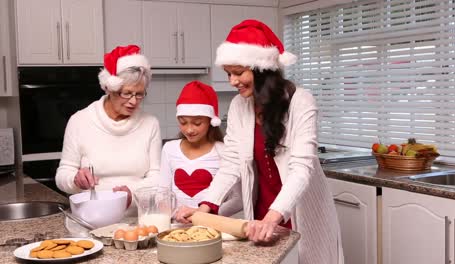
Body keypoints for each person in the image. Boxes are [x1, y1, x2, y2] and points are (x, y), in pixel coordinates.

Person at [175, 20, 343, 263]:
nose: (232, 81)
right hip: (261, 213)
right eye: (228, 73)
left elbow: (301, 169)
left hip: (296, 210)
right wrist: (204, 209)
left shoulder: (301, 102)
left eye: (239, 72)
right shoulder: (238, 106)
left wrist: (273, 217)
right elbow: (231, 163)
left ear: (261, 69)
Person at [55, 45, 162, 211]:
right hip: (90, 217)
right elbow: (63, 174)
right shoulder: (80, 121)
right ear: (109, 88)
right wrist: (75, 180)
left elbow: (157, 177)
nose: (134, 101)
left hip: (136, 220)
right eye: (126, 93)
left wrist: (132, 194)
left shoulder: (150, 124)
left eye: (139, 94)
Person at [159, 81, 242, 217]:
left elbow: (239, 200)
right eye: (183, 122)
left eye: (197, 123)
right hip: (176, 227)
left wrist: (205, 215)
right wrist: (175, 215)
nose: (189, 129)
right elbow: (161, 193)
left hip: (211, 228)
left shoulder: (224, 151)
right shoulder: (169, 149)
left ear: (211, 121)